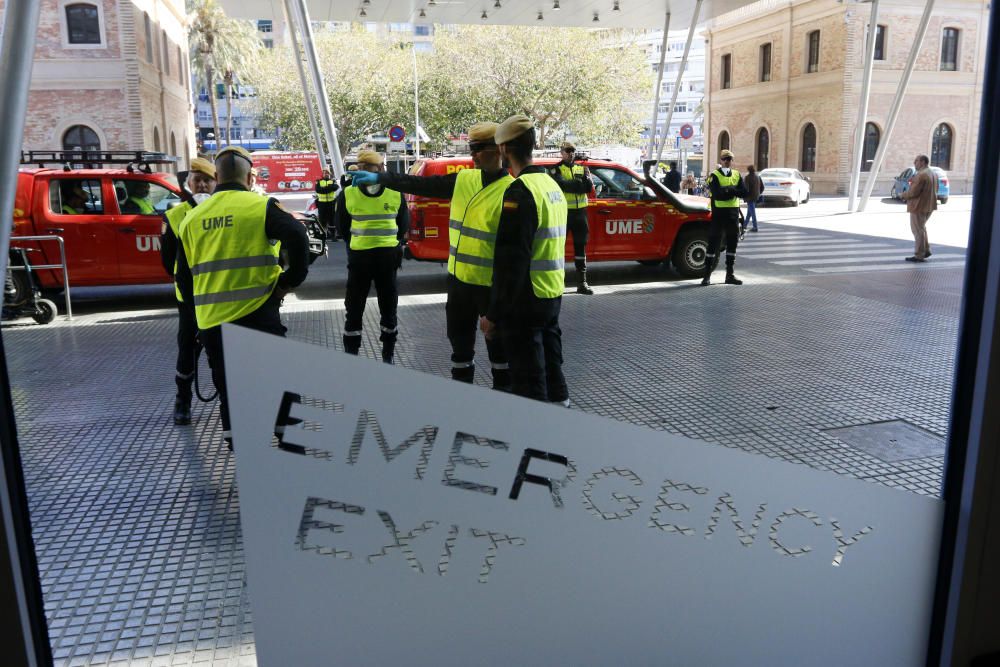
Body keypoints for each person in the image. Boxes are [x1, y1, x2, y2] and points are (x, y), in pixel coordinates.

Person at [350, 122, 514, 389]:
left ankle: (501, 409)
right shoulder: (464, 179)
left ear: (499, 150)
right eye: (471, 149)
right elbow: (419, 183)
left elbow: (513, 256)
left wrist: (498, 308)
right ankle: (462, 409)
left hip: (490, 288)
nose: (472, 156)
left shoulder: (512, 190)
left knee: (500, 355)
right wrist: (382, 178)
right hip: (460, 285)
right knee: (460, 353)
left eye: (478, 150)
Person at [177, 145, 309, 448]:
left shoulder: (192, 219)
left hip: (213, 323)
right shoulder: (260, 207)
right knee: (281, 380)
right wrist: (286, 284)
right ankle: (292, 447)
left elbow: (184, 282)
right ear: (250, 176)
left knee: (230, 387)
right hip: (259, 313)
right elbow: (299, 239)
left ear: (217, 176)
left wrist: (199, 321)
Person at [480, 115, 569, 405]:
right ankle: (560, 442)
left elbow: (512, 261)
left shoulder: (519, 192)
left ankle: (536, 444)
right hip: (551, 294)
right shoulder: (552, 187)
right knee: (553, 372)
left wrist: (493, 314)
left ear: (505, 149)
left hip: (525, 302)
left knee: (529, 383)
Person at [333, 150, 409, 364]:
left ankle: (352, 354)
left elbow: (342, 228)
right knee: (388, 305)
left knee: (354, 307)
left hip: (359, 259)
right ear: (381, 169)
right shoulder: (395, 192)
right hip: (387, 258)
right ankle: (388, 353)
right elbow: (403, 225)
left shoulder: (347, 193)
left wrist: (357, 244)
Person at [160, 157, 216, 425]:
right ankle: (182, 401)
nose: (203, 185)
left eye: (208, 180)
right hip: (191, 300)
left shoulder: (224, 210)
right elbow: (167, 261)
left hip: (222, 297)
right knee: (188, 351)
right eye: (198, 180)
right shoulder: (174, 216)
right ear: (188, 184)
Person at [547, 141, 594, 295]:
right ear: (562, 152)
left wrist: (575, 184)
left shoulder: (583, 168)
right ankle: (557, 284)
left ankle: (582, 283)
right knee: (558, 249)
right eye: (568, 150)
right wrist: (578, 183)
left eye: (573, 150)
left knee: (580, 249)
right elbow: (563, 186)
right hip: (564, 213)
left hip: (581, 214)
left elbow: (588, 188)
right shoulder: (555, 169)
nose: (571, 153)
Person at [702, 149, 748, 286]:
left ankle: (730, 275)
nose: (727, 161)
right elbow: (717, 194)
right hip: (718, 215)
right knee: (713, 245)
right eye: (725, 159)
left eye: (729, 159)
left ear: (732, 161)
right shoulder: (714, 175)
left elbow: (744, 192)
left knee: (732, 245)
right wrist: (733, 191)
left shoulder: (736, 174)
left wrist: (729, 191)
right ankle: (706, 276)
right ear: (721, 160)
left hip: (733, 215)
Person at [900, 154, 938, 262]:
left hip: (918, 206)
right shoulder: (933, 173)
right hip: (929, 205)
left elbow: (913, 192)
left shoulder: (921, 175)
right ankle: (925, 251)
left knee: (917, 230)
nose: (914, 163)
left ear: (922, 162)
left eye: (916, 161)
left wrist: (902, 195)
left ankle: (919, 255)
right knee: (921, 228)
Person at [314, 168, 338, 237]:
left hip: (331, 203)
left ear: (329, 174)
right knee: (322, 220)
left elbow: (335, 187)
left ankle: (333, 235)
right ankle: (323, 234)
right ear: (322, 174)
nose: (326, 174)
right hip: (322, 204)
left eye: (327, 173)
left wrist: (324, 188)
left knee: (332, 219)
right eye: (324, 173)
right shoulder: (319, 181)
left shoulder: (333, 181)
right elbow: (318, 190)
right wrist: (329, 188)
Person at [743, 164, 763, 233]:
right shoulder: (758, 176)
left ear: (748, 170)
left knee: (753, 213)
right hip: (756, 197)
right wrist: (758, 193)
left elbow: (746, 189)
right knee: (749, 213)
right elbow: (762, 187)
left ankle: (755, 227)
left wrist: (744, 196)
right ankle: (744, 225)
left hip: (750, 197)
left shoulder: (747, 177)